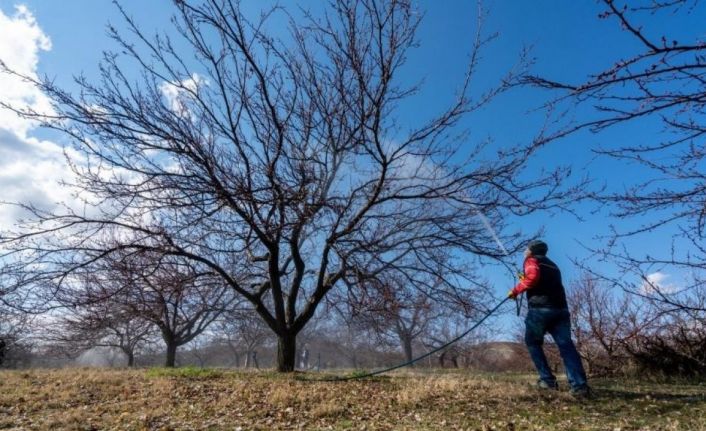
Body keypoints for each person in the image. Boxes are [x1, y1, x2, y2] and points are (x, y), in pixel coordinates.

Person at [508, 239, 591, 398]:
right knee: (566, 346)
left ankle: (547, 380)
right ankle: (580, 387)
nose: (524, 252)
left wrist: (516, 290)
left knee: (533, 342)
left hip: (540, 310)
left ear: (531, 250)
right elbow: (537, 280)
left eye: (526, 249)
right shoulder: (553, 265)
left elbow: (532, 279)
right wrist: (524, 279)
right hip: (561, 310)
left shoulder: (531, 260)